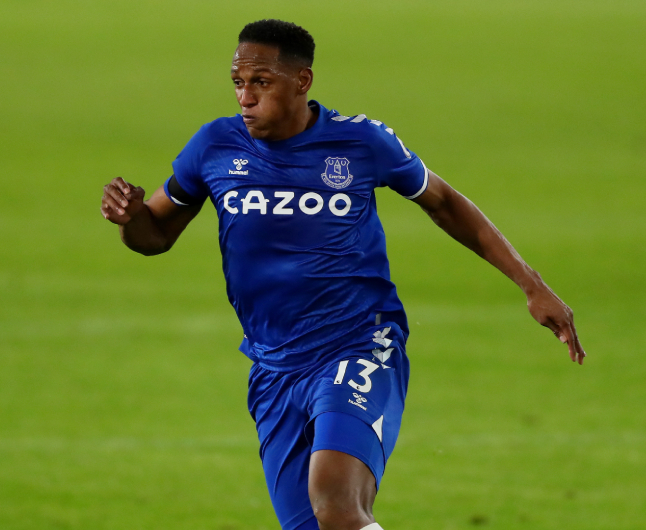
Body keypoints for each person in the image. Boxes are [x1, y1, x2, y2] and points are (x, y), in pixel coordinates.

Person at [99, 19, 585, 530]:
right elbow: (154, 237)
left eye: (261, 82)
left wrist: (531, 284)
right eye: (238, 83)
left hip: (357, 343)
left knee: (334, 501)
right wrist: (132, 219)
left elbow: (443, 202)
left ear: (302, 81)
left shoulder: (360, 142)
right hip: (273, 366)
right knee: (314, 524)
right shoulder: (214, 146)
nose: (245, 97)